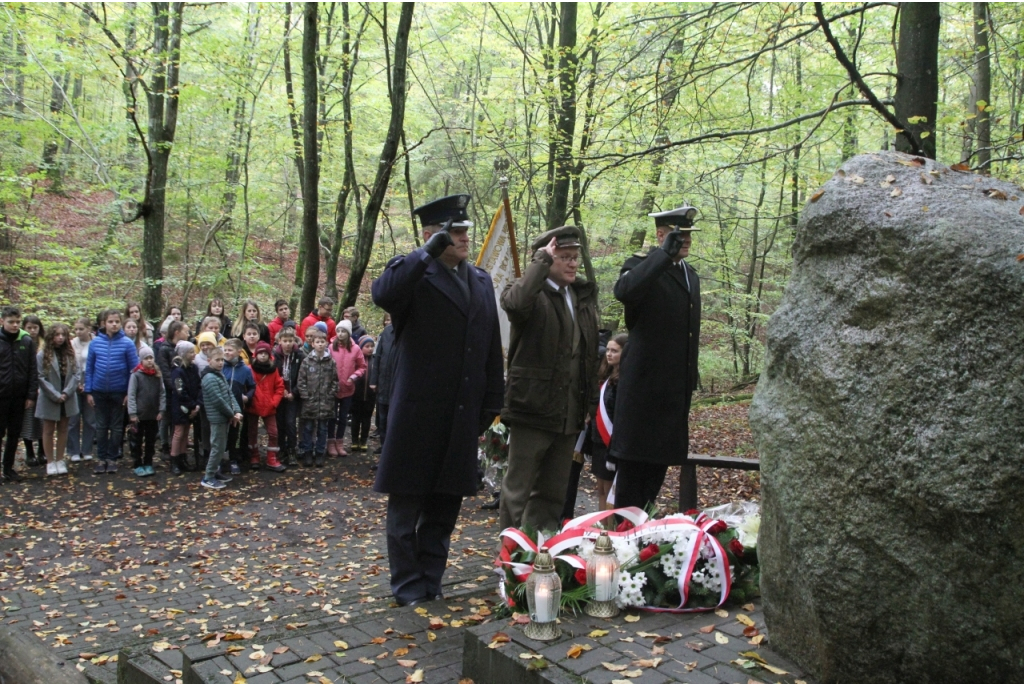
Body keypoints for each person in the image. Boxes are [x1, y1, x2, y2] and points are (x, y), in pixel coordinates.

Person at [371, 193, 504, 606]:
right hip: (417, 415)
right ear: (432, 236)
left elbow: (489, 347)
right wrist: (425, 252)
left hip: (462, 415)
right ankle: (407, 585)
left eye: (466, 230)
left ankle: (431, 579)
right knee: (406, 507)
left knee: (445, 507)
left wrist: (490, 405)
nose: (465, 237)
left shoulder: (480, 280)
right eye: (455, 232)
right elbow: (383, 294)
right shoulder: (413, 275)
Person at [498, 225, 600, 532]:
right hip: (532, 408)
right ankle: (510, 558)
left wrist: (589, 406)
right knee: (518, 490)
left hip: (568, 413)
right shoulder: (529, 294)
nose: (572, 264)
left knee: (552, 494)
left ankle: (540, 554)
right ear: (545, 259)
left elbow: (587, 357)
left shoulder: (580, 297)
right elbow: (514, 304)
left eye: (575, 257)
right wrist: (540, 263)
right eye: (564, 257)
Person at [611, 204, 702, 512]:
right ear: (661, 235)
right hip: (642, 398)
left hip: (671, 401)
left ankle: (643, 546)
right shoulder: (642, 267)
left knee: (653, 488)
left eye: (689, 235)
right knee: (631, 490)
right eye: (679, 235)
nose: (685, 241)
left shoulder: (690, 275)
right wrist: (663, 255)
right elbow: (624, 291)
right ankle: (621, 550)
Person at [85, 309, 139, 475]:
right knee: (101, 426)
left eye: (117, 321)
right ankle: (101, 458)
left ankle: (112, 458)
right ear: (104, 323)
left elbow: (135, 370)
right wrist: (89, 391)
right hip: (99, 391)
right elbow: (90, 368)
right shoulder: (95, 343)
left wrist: (129, 394)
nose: (114, 324)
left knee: (116, 427)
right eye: (110, 321)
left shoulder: (127, 343)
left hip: (119, 391)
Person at [587, 333, 626, 511]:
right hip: (598, 441)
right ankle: (601, 527)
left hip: (611, 441)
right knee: (601, 489)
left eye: (615, 351)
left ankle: (608, 531)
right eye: (608, 350)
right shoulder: (606, 377)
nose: (609, 354)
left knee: (611, 491)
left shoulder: (623, 380)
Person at [35, 323, 80, 477]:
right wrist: (55, 394)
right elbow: (40, 376)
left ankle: (60, 459)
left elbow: (76, 374)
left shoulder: (70, 353)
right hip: (50, 397)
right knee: (48, 429)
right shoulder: (42, 354)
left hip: (67, 396)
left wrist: (67, 393)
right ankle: (50, 461)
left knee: (63, 428)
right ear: (51, 336)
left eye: (63, 335)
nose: (60, 338)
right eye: (57, 335)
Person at [0, 306, 38, 483]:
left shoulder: (26, 341)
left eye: (17, 322)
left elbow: (32, 369)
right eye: (11, 322)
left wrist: (30, 395)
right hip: (2, 395)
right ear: (2, 321)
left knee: (14, 433)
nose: (15, 325)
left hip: (20, 396)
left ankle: (8, 468)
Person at [200, 347, 242, 490]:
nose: (220, 363)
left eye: (222, 360)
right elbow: (218, 400)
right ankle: (208, 477)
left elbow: (229, 394)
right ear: (209, 361)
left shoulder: (219, 375)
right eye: (217, 360)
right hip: (217, 418)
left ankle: (215, 472)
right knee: (217, 447)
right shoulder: (209, 378)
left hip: (225, 417)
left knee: (221, 446)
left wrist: (237, 410)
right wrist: (232, 414)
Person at [296, 328, 338, 468]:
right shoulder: (307, 361)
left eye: (322, 342)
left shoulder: (330, 362)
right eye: (317, 342)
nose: (320, 344)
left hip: (326, 402)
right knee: (308, 428)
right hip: (310, 402)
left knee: (322, 428)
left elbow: (335, 381)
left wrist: (330, 394)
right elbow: (301, 381)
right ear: (312, 344)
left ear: (326, 343)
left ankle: (320, 452)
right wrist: (305, 396)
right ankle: (308, 452)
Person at [247, 341, 286, 472]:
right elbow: (246, 386)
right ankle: (254, 456)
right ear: (255, 355)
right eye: (260, 353)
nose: (263, 356)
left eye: (265, 353)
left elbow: (279, 387)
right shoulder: (249, 369)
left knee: (273, 433)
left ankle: (271, 458)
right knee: (252, 432)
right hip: (253, 405)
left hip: (269, 406)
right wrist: (250, 400)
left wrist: (273, 402)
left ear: (269, 355)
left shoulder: (273, 370)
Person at [127, 345, 165, 477]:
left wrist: (161, 410)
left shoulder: (157, 375)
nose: (149, 361)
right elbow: (131, 394)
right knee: (136, 441)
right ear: (141, 360)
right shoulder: (136, 375)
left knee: (151, 440)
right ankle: (137, 463)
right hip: (139, 415)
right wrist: (132, 413)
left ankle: (148, 462)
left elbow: (162, 393)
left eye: (151, 358)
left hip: (153, 414)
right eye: (146, 358)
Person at [328, 320, 365, 458]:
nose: (340, 334)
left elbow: (362, 366)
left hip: (348, 388)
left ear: (348, 333)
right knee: (332, 417)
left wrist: (353, 377)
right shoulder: (331, 347)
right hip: (333, 388)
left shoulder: (356, 349)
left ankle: (339, 442)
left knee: (343, 417)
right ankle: (330, 442)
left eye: (343, 331)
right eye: (338, 331)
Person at [157, 321, 190, 462]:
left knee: (179, 424)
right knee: (167, 419)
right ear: (177, 332)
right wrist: (176, 389)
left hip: (182, 392)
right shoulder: (164, 349)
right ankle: (165, 447)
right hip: (169, 391)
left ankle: (179, 451)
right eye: (186, 331)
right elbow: (165, 372)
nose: (189, 334)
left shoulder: (185, 348)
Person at [221, 339, 255, 474]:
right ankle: (221, 461)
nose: (227, 353)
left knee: (234, 434)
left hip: (237, 407)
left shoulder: (245, 369)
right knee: (221, 434)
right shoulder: (221, 365)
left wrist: (247, 397)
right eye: (225, 350)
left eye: (230, 350)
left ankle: (233, 459)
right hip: (221, 407)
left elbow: (252, 386)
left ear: (239, 352)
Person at [169, 341, 202, 475]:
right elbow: (180, 390)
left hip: (192, 405)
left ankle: (183, 458)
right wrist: (192, 405)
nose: (194, 354)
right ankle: (174, 460)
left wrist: (197, 404)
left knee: (186, 432)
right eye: (191, 352)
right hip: (180, 406)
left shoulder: (193, 368)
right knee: (179, 433)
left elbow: (199, 386)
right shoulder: (177, 371)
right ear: (183, 354)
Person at [274, 326, 304, 468]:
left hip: (293, 395)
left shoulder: (299, 355)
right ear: (279, 341)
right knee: (279, 423)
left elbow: (303, 377)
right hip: (279, 395)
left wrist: (294, 392)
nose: (287, 343)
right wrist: (282, 391)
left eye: (290, 340)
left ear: (294, 341)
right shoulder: (274, 356)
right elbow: (273, 376)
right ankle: (281, 449)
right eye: (285, 341)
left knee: (291, 423)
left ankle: (292, 449)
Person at [68, 317, 95, 463]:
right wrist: (76, 383)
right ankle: (73, 450)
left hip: (91, 380)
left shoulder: (96, 342)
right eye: (76, 329)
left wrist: (88, 384)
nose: (78, 332)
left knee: (90, 419)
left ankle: (87, 449)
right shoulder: (71, 343)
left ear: (89, 329)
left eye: (81, 329)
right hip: (74, 380)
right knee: (73, 419)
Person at [369, 315, 395, 458]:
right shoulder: (386, 332)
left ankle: (391, 452)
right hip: (383, 383)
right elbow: (377, 357)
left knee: (394, 419)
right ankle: (384, 448)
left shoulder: (409, 332)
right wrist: (374, 380)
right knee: (382, 418)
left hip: (398, 385)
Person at [20, 314, 44, 468]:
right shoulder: (21, 343)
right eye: (29, 328)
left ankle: (43, 450)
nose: (33, 331)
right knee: (27, 420)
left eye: (35, 327)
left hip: (43, 388)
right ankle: (30, 452)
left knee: (42, 420)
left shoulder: (44, 345)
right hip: (26, 388)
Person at [350, 335, 376, 452]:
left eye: (372, 346)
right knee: (355, 418)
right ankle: (354, 440)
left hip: (370, 396)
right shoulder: (356, 360)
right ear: (361, 347)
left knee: (366, 419)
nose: (370, 349)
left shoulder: (375, 360)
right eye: (367, 346)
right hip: (356, 395)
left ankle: (364, 440)